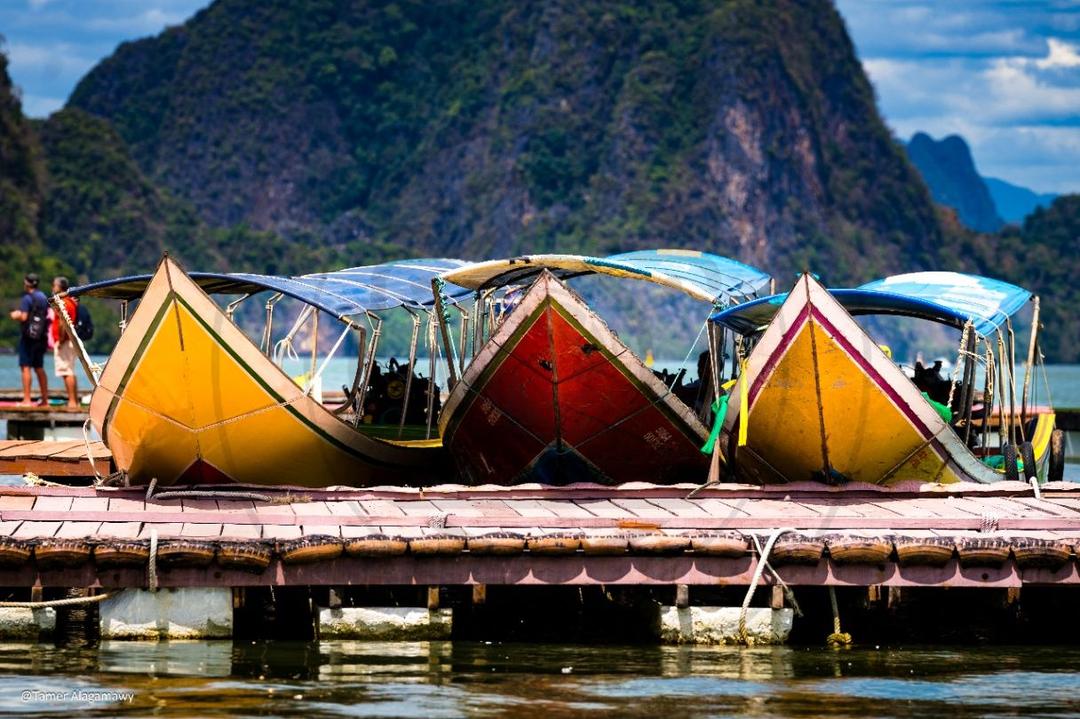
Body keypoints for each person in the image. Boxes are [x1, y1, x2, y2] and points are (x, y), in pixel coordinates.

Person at [9, 273, 49, 406]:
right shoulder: (43, 297)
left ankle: (27, 400)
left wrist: (15, 315)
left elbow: (24, 317)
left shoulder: (27, 298)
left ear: (27, 283)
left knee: (25, 367)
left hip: (28, 338)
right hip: (41, 337)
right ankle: (44, 400)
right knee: (39, 367)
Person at [51, 277, 79, 408]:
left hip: (65, 341)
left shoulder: (63, 302)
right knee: (70, 371)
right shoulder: (70, 301)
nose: (52, 288)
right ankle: (74, 400)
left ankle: (72, 401)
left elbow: (63, 323)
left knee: (66, 371)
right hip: (69, 341)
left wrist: (61, 340)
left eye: (54, 285)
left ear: (60, 287)